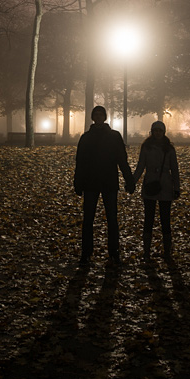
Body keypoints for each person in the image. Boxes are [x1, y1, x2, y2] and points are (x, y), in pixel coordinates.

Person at [74, 105, 134, 267]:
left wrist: (129, 179)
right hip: (100, 182)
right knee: (98, 219)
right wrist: (78, 181)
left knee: (103, 219)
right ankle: (97, 252)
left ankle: (105, 252)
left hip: (99, 182)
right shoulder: (111, 136)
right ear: (94, 117)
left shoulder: (88, 137)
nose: (99, 117)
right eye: (97, 114)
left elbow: (122, 160)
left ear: (103, 117)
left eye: (101, 114)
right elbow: (80, 162)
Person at [133, 120, 181, 261]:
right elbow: (140, 166)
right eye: (156, 131)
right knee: (149, 218)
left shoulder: (169, 149)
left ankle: (167, 252)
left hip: (165, 185)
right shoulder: (147, 147)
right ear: (152, 132)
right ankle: (147, 251)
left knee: (165, 219)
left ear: (163, 132)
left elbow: (175, 169)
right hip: (151, 184)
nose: (158, 133)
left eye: (160, 131)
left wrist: (176, 187)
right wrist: (132, 182)